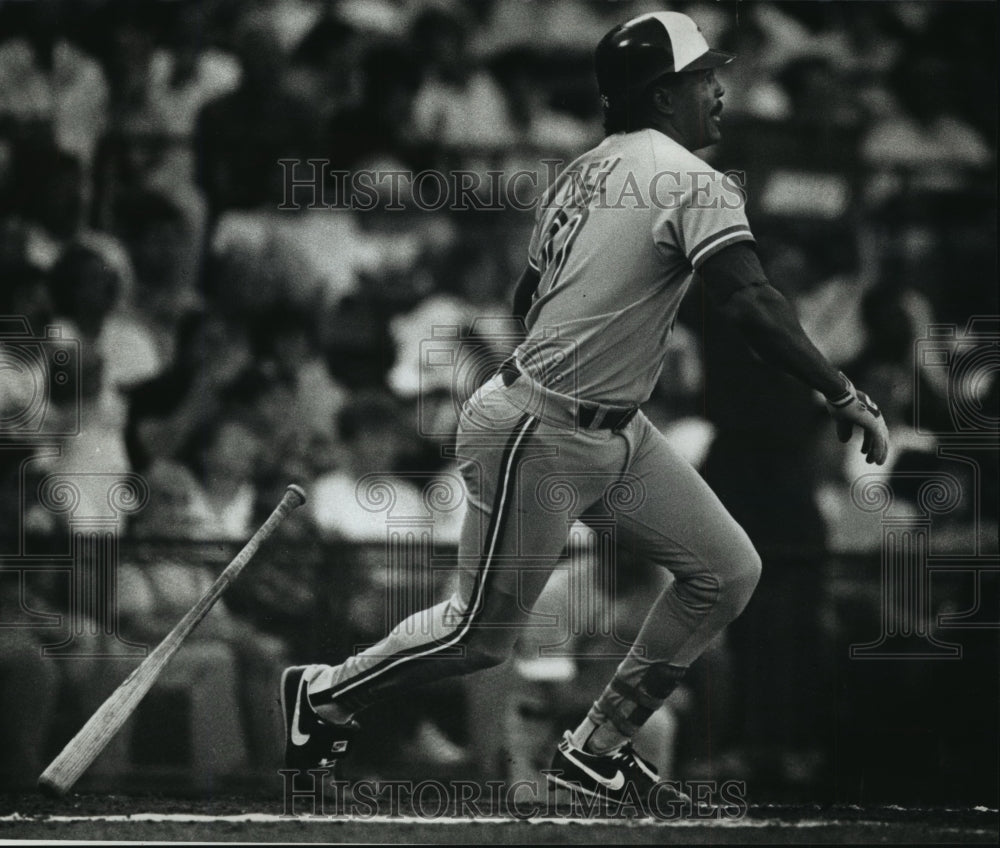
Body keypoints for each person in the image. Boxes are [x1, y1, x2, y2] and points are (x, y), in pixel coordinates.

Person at [281, 11, 889, 806]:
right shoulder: (689, 178)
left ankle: (594, 750)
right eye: (705, 78)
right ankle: (323, 693)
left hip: (611, 427)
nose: (721, 92)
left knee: (726, 571)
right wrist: (842, 390)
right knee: (478, 636)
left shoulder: (582, 172)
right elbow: (752, 304)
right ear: (663, 93)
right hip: (543, 427)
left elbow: (527, 294)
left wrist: (610, 321)